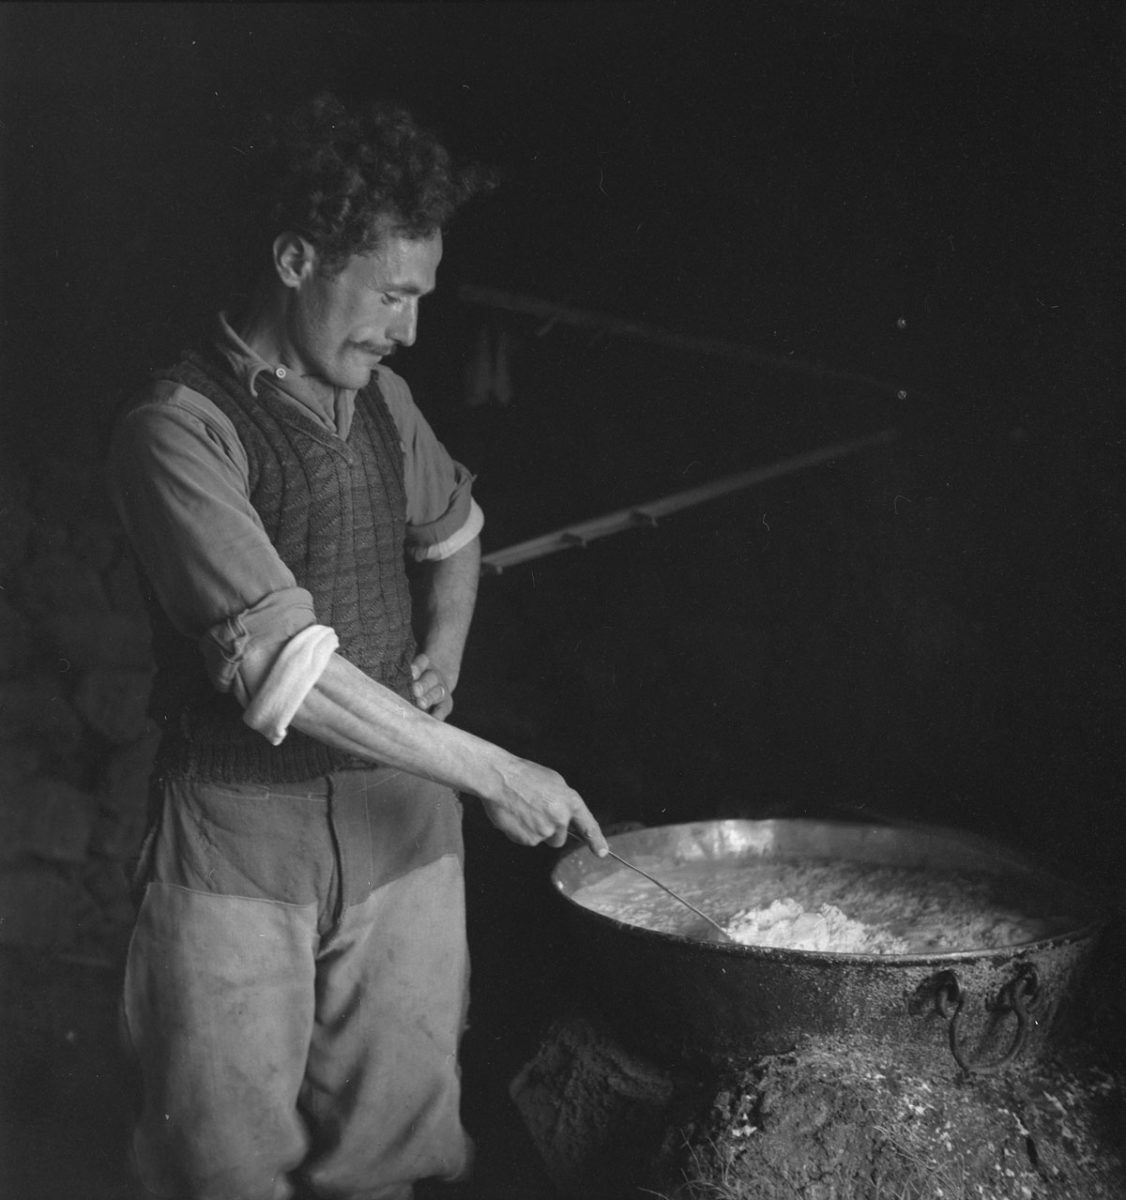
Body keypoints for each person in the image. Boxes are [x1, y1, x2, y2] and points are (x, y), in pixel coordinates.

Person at [107, 92, 607, 1200]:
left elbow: (458, 531)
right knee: (220, 1158)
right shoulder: (175, 430)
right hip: (242, 843)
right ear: (295, 260)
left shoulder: (385, 399)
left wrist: (445, 655)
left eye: (419, 297)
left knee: (399, 1143)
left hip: (403, 831)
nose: (409, 327)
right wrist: (490, 766)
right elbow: (278, 669)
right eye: (392, 294)